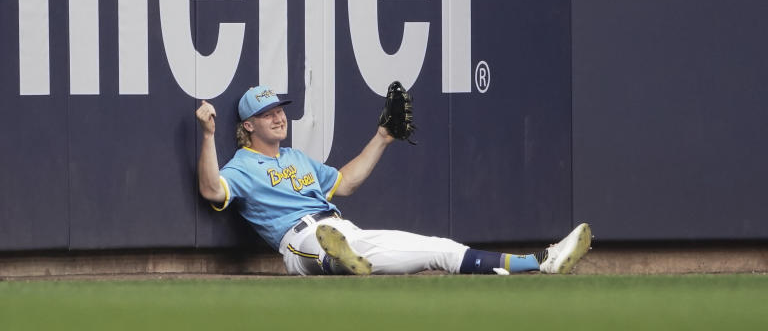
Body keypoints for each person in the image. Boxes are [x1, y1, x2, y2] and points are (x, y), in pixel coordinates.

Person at [195, 84, 592, 276]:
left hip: (344, 230)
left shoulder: (297, 159)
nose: (279, 116)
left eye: (280, 110)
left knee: (440, 249)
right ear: (248, 125)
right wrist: (209, 136)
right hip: (297, 240)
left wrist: (382, 137)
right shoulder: (242, 165)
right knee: (317, 249)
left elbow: (345, 183)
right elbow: (213, 189)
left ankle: (540, 260)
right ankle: (338, 260)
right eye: (268, 114)